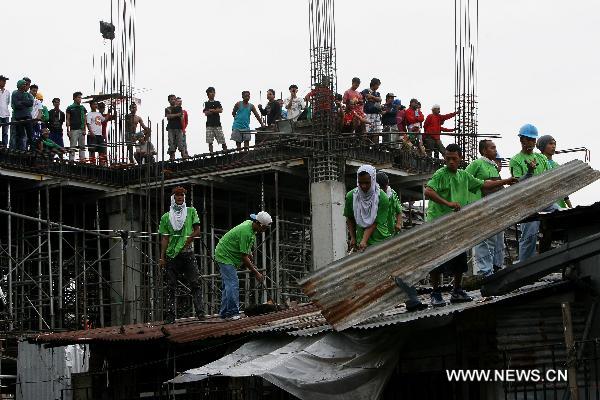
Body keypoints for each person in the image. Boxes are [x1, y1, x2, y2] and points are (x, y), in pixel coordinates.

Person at [425, 143, 517, 306]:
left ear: (460, 158)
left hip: (456, 221)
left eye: (454, 159)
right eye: (448, 159)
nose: (451, 162)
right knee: (437, 258)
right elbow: (428, 191)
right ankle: (436, 292)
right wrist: (448, 203)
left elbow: (483, 184)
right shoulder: (441, 174)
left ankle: (457, 290)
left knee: (460, 256)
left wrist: (507, 180)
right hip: (438, 221)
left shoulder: (463, 175)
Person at [509, 124, 555, 262]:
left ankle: (544, 262)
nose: (532, 143)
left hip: (545, 201)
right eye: (529, 140)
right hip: (527, 203)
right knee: (529, 237)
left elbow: (548, 177)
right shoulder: (516, 160)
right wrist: (529, 172)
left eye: (534, 140)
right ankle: (524, 269)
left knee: (561, 220)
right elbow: (517, 184)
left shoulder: (541, 158)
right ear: (522, 140)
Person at [159, 186, 204, 323]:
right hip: (172, 255)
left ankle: (200, 313)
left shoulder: (191, 212)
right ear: (173, 198)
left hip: (188, 253)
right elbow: (165, 238)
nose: (180, 197)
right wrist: (162, 257)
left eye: (182, 195)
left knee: (195, 283)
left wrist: (188, 239)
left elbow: (197, 231)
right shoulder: (166, 217)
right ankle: (170, 316)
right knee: (171, 286)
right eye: (178, 195)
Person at [214, 212, 271, 320]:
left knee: (227, 285)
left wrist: (249, 252)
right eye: (264, 228)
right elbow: (244, 257)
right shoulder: (246, 232)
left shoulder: (251, 225)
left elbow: (245, 247)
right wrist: (256, 273)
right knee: (233, 283)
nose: (264, 231)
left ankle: (224, 313)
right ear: (259, 224)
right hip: (225, 255)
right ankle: (232, 313)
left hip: (229, 254)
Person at [466, 140, 505, 277]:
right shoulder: (477, 164)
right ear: (484, 151)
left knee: (497, 239)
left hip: (495, 207)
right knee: (484, 240)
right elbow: (466, 180)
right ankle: (485, 271)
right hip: (482, 206)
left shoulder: (493, 166)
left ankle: (496, 266)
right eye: (492, 148)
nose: (495, 150)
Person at [343, 165, 391, 252]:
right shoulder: (351, 196)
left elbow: (375, 222)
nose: (363, 186)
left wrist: (364, 240)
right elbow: (349, 217)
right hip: (361, 241)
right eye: (360, 182)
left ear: (373, 180)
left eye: (367, 182)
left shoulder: (382, 198)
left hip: (380, 240)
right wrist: (353, 237)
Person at [537, 134, 572, 209]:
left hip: (560, 206)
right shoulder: (537, 163)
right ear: (543, 146)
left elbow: (563, 189)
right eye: (550, 143)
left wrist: (570, 207)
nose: (553, 146)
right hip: (545, 207)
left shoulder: (557, 166)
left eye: (554, 144)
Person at [10, 79, 34, 151]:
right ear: (19, 85)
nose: (25, 86)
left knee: (30, 134)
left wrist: (22, 102)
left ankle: (32, 148)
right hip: (19, 117)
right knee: (20, 134)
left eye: (25, 84)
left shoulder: (28, 94)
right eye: (23, 84)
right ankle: (20, 148)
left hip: (27, 116)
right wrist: (25, 103)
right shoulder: (15, 93)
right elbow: (17, 105)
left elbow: (30, 103)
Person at [203, 87, 227, 153]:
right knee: (210, 141)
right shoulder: (206, 103)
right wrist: (215, 110)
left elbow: (221, 110)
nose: (212, 93)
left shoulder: (217, 102)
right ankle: (211, 153)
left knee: (222, 139)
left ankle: (225, 151)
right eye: (211, 92)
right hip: (209, 124)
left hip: (217, 124)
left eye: (213, 92)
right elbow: (206, 113)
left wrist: (211, 110)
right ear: (208, 94)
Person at [66, 92, 87, 161]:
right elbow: (67, 119)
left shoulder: (82, 108)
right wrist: (68, 130)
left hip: (81, 129)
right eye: (78, 97)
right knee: (73, 146)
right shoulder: (70, 108)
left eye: (80, 97)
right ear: (74, 98)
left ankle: (82, 160)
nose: (80, 99)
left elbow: (84, 119)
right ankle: (71, 161)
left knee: (82, 146)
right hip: (73, 130)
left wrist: (85, 129)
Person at [165, 94, 188, 160]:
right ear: (169, 101)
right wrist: (177, 115)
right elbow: (168, 116)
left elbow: (181, 117)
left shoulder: (179, 108)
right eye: (171, 99)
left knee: (180, 141)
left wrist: (183, 128)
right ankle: (172, 156)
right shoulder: (167, 109)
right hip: (171, 127)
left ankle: (183, 154)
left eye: (174, 99)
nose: (173, 100)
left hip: (178, 127)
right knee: (171, 142)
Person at [85, 100, 106, 164]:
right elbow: (88, 124)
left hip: (99, 135)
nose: (95, 105)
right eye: (94, 104)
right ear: (91, 105)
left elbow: (104, 119)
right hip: (92, 134)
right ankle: (93, 165)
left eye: (96, 104)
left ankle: (101, 165)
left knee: (101, 150)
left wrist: (110, 111)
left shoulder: (99, 114)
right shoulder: (89, 114)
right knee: (92, 151)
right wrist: (91, 132)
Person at [0, 75, 10, 147]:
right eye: (3, 80)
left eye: (5, 81)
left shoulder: (7, 92)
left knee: (5, 131)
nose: (4, 82)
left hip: (6, 114)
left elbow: (7, 102)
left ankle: (4, 145)